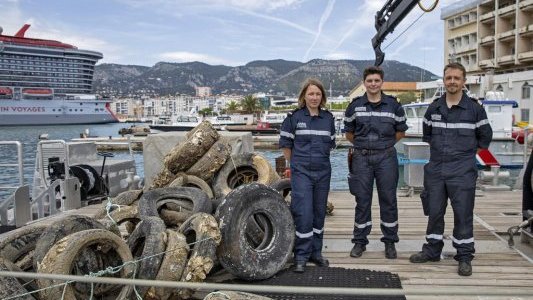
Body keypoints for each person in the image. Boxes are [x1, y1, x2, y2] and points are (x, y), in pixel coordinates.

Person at [409, 62, 493, 276]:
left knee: (463, 214)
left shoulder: (475, 109)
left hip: (462, 171)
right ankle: (432, 251)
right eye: (449, 78)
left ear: (463, 82)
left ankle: (464, 256)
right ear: (444, 80)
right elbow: (427, 136)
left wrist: (464, 156)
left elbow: (485, 139)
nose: (452, 82)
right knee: (434, 212)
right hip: (436, 169)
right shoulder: (433, 108)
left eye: (457, 78)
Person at [344, 66, 408, 259]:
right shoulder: (354, 106)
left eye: (376, 81)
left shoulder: (393, 105)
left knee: (388, 200)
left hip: (386, 157)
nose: (373, 84)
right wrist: (364, 147)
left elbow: (401, 131)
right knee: (362, 200)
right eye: (369, 81)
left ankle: (390, 242)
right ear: (364, 83)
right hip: (361, 158)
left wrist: (384, 146)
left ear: (382, 82)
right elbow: (349, 133)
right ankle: (359, 242)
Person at [279, 78, 336, 273]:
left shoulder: (328, 119)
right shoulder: (294, 118)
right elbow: (286, 147)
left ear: (322, 97)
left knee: (319, 212)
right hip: (301, 172)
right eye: (311, 94)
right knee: (303, 212)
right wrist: (296, 165)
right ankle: (301, 255)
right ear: (304, 96)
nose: (314, 97)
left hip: (323, 171)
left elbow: (331, 145)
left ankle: (316, 253)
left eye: (318, 94)